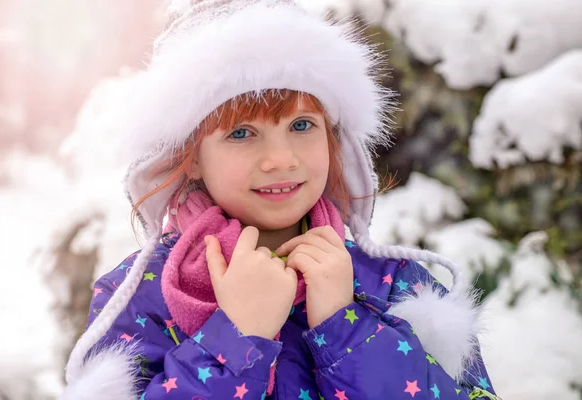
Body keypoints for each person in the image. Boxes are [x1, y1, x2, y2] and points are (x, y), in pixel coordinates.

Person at [62, 1, 500, 399]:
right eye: (241, 133)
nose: (280, 159)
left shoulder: (391, 282)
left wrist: (347, 327)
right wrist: (236, 337)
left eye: (302, 126)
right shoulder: (146, 293)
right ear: (190, 156)